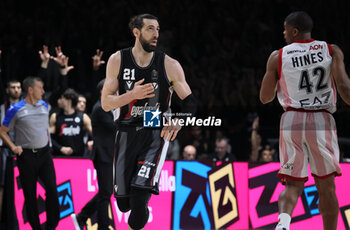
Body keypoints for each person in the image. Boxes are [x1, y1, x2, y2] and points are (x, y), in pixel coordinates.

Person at [101, 14, 196, 230]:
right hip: (125, 131)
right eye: (150, 29)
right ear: (136, 32)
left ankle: (142, 201)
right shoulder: (118, 59)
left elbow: (190, 102)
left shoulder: (169, 64)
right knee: (123, 204)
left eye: (158, 29)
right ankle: (138, 201)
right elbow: (106, 104)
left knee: (138, 198)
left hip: (155, 132)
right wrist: (130, 95)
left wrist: (179, 121)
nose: (156, 34)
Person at [260, 11, 350, 230]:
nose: (283, 33)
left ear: (294, 31)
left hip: (292, 120)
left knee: (292, 185)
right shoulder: (331, 50)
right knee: (326, 187)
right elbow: (345, 89)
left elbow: (265, 98)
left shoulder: (277, 56)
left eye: (284, 29)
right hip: (322, 120)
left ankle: (283, 223)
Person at [0, 77, 59, 230]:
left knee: (52, 190)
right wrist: (13, 147)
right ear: (31, 90)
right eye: (41, 88)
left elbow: (57, 92)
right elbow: (2, 131)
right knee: (30, 195)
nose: (43, 91)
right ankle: (36, 228)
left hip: (45, 154)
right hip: (26, 156)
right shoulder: (15, 109)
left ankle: (52, 226)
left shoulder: (44, 105)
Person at [71, 79, 116, 230]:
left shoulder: (109, 107)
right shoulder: (100, 108)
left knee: (105, 193)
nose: (116, 91)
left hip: (110, 156)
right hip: (103, 156)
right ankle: (100, 225)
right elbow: (114, 128)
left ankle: (81, 216)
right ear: (103, 91)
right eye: (112, 89)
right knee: (105, 194)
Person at [0, 80, 22, 221]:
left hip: (24, 149)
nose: (16, 90)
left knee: (23, 184)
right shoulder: (3, 107)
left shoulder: (27, 106)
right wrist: (12, 146)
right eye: (13, 87)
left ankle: (20, 219)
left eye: (18, 87)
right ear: (7, 90)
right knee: (2, 185)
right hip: (5, 149)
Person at [49, 88, 93, 157]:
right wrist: (61, 148)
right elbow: (49, 138)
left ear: (68, 101)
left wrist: (92, 141)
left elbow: (94, 134)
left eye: (61, 98)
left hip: (79, 157)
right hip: (59, 156)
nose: (59, 101)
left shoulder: (83, 117)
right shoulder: (55, 117)